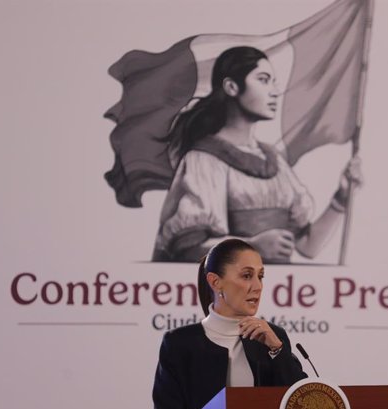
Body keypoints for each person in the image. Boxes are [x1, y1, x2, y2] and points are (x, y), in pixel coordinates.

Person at [152, 46, 361, 264]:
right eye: (263, 80)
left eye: (273, 81)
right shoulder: (204, 159)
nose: (274, 91)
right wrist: (252, 247)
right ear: (232, 87)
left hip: (281, 292)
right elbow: (189, 251)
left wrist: (341, 197)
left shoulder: (275, 161)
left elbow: (307, 246)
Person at [152, 238, 307, 409]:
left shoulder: (272, 338)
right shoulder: (179, 343)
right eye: (246, 276)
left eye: (260, 277)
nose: (257, 286)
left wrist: (277, 350)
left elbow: (304, 407)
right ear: (215, 282)